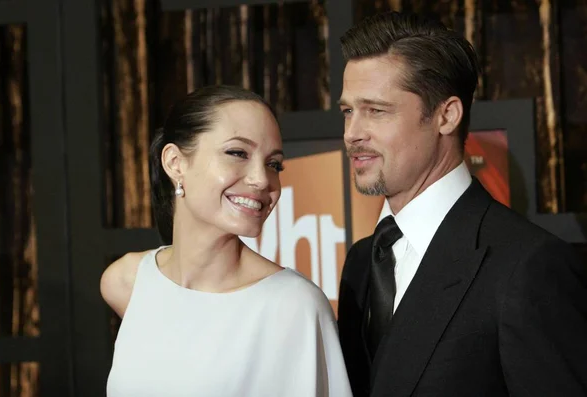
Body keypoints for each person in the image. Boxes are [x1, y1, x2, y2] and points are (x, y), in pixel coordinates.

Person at [337, 11, 587, 397]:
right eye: (348, 111)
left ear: (446, 115)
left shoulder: (527, 266)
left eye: (376, 111)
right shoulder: (360, 261)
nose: (352, 134)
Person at [100, 85, 353, 397]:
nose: (262, 179)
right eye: (237, 153)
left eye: (274, 164)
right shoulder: (127, 281)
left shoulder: (293, 306)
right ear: (175, 163)